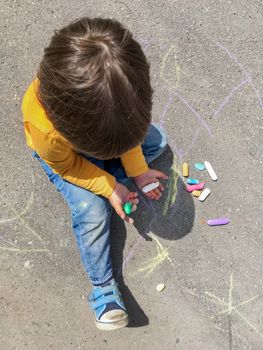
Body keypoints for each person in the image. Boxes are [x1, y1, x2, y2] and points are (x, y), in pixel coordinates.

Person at [22, 17, 168, 330]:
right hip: (63, 159)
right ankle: (103, 288)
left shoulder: (117, 93)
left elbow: (127, 135)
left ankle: (116, 173)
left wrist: (139, 172)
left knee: (156, 141)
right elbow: (68, 165)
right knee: (92, 210)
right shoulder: (45, 131)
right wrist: (109, 185)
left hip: (87, 128)